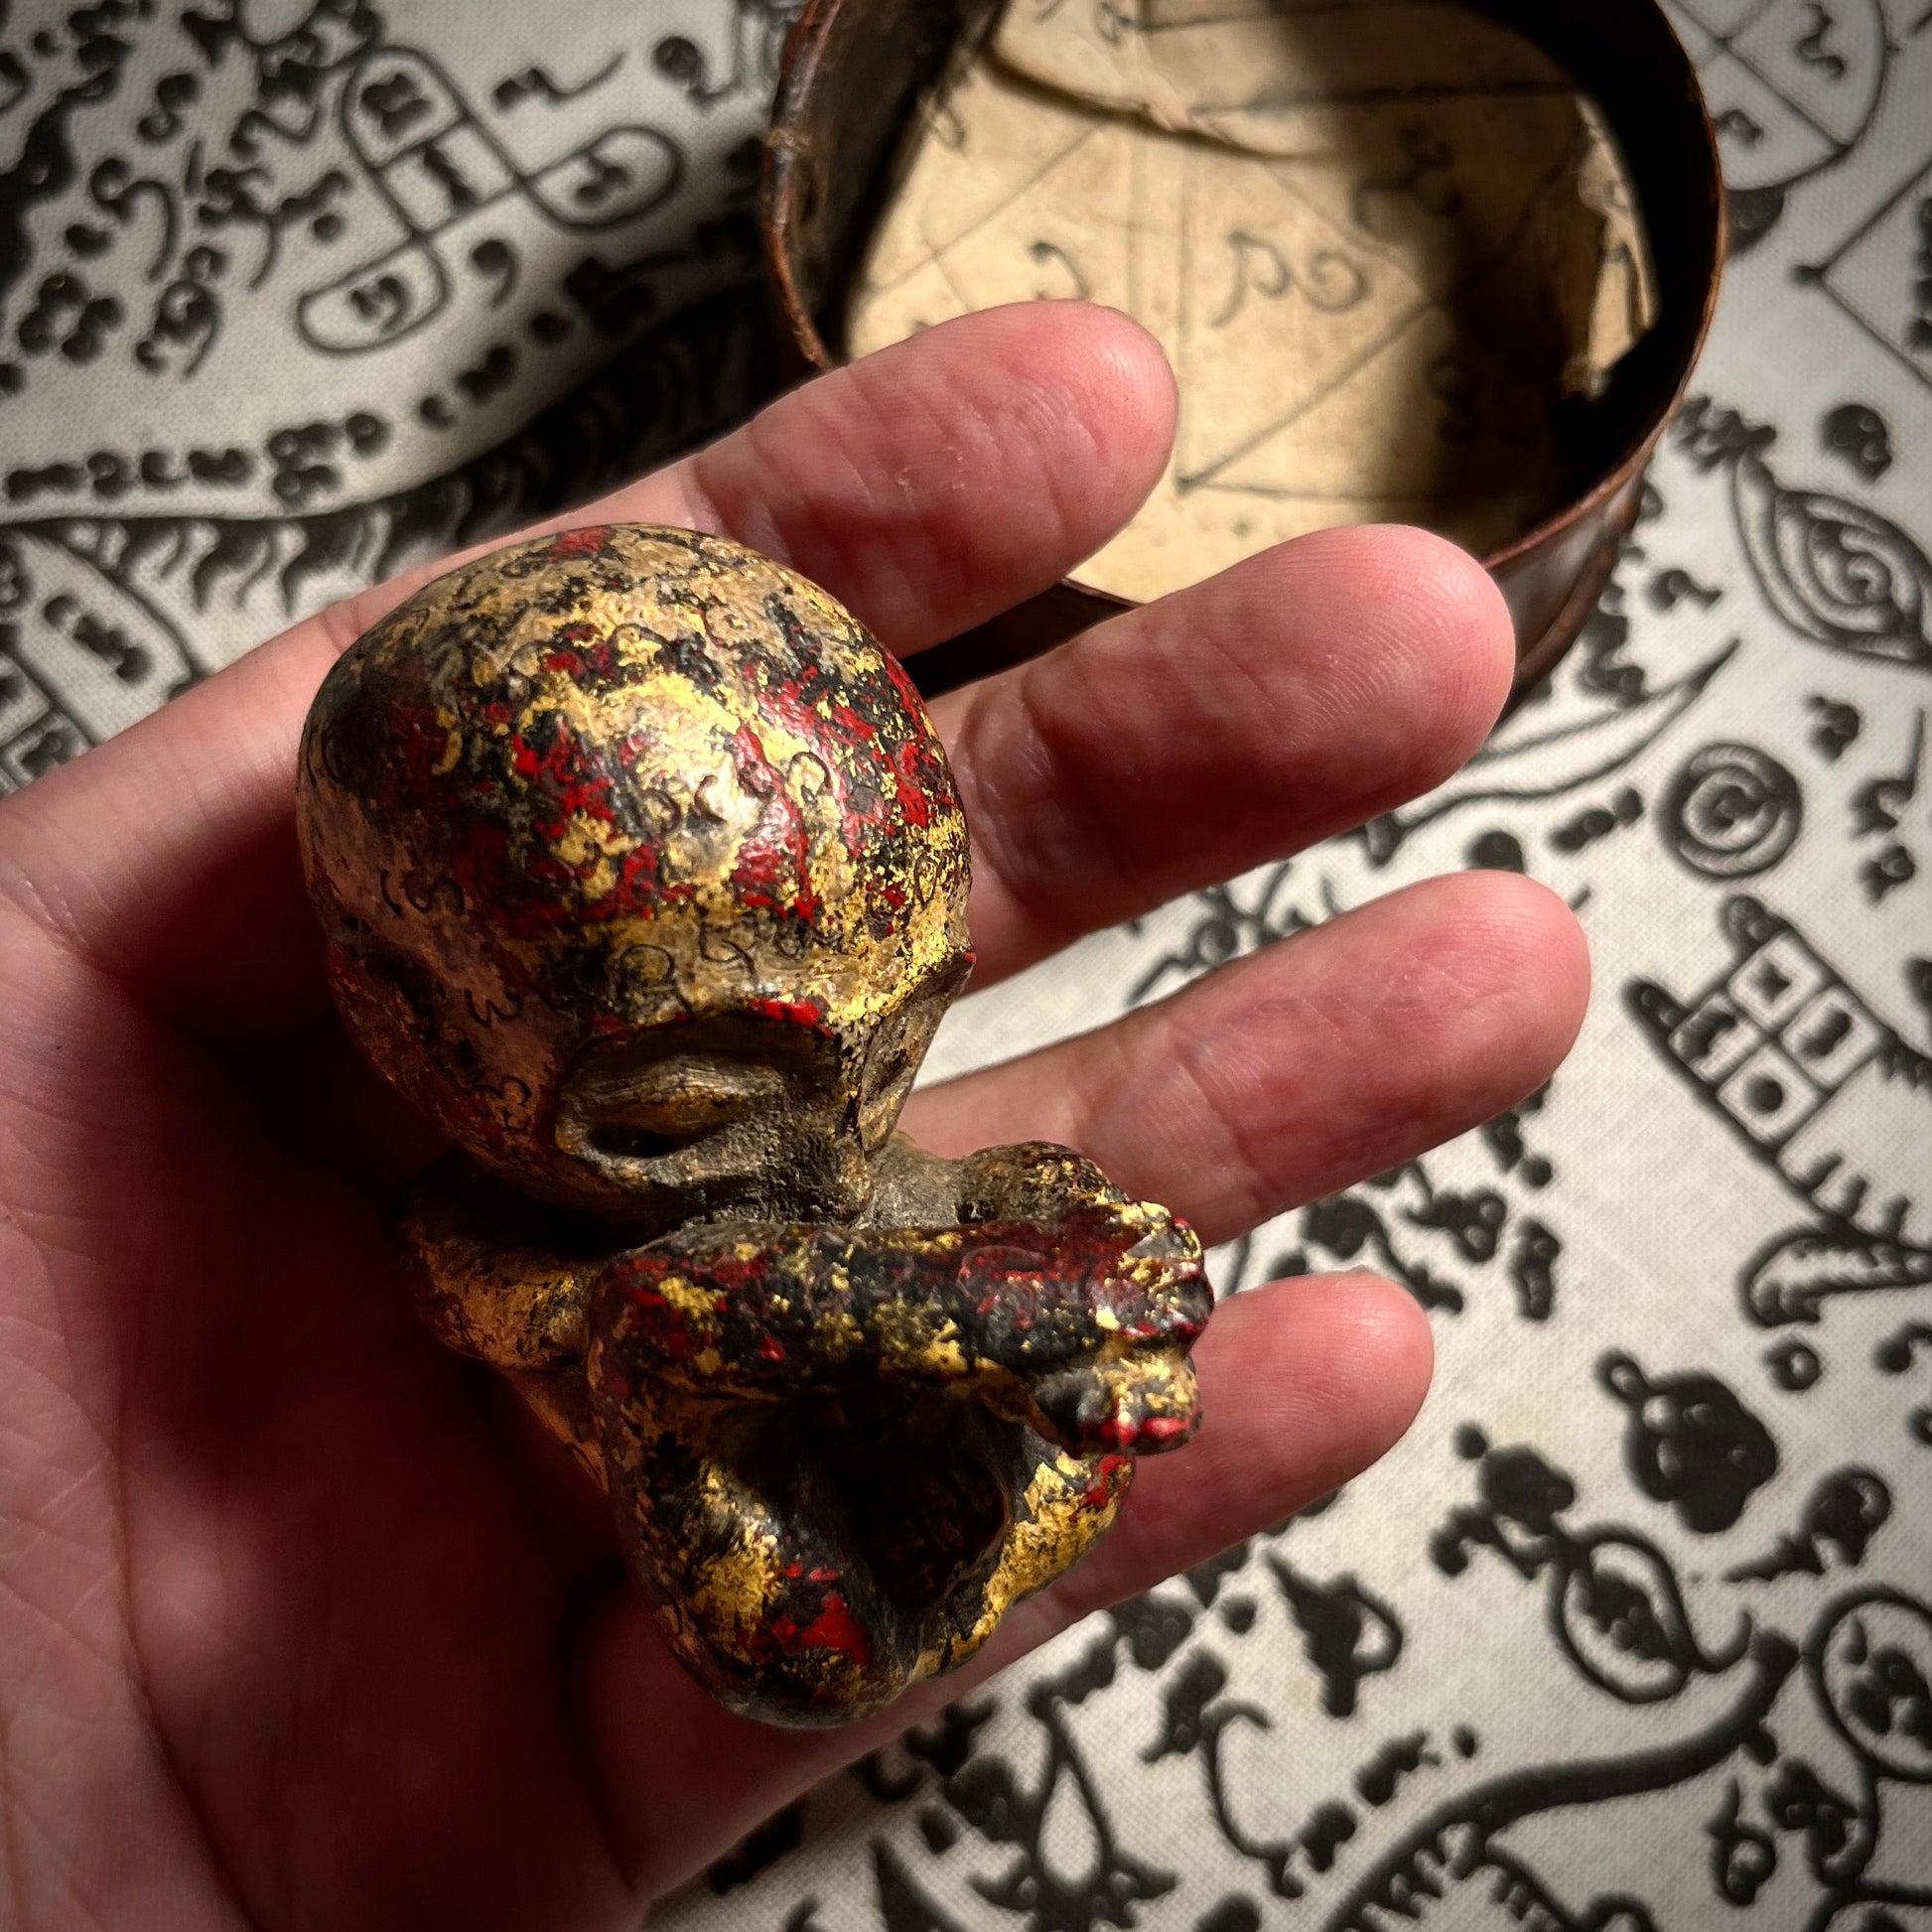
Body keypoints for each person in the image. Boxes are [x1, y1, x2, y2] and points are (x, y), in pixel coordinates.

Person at [0, 304, 1587, 1930]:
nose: (825, 1161)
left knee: (1010, 1245)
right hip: (736, 1470)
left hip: (928, 1457)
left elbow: (1032, 1262)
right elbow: (599, 1312)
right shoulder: (480, 1234)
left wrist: (1046, 1277)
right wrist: (883, 1314)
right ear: (409, 1034)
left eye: (897, 1045)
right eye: (679, 1110)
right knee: (685, 1377)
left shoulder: (883, 1179)